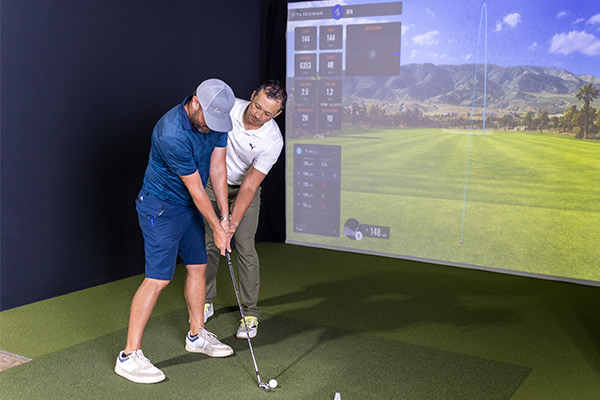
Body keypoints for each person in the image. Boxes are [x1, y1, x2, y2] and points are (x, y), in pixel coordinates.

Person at [114, 78, 236, 384]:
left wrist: (225, 218)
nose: (211, 127)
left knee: (198, 266)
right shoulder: (171, 132)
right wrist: (216, 229)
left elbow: (218, 169)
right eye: (208, 120)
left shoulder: (217, 121)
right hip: (161, 207)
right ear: (196, 102)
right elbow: (196, 189)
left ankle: (196, 335)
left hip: (188, 208)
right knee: (158, 279)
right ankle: (128, 356)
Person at [204, 79, 287, 339]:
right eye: (257, 105)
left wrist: (230, 223)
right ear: (252, 95)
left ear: (277, 114)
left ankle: (250, 313)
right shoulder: (228, 110)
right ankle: (204, 300)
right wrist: (220, 224)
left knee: (245, 246)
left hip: (244, 191)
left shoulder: (273, 140)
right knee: (208, 243)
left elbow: (250, 186)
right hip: (211, 183)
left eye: (267, 113)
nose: (258, 114)